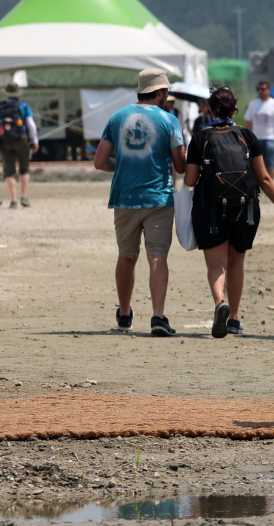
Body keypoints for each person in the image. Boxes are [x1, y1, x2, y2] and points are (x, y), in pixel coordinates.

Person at [184, 86, 274, 339]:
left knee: (216, 263)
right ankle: (235, 319)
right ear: (235, 110)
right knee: (237, 262)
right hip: (245, 210)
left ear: (211, 109)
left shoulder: (200, 137)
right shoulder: (247, 136)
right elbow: (264, 178)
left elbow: (191, 181)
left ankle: (220, 304)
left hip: (211, 210)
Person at [93, 68, 186, 336]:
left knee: (126, 256)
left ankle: (124, 314)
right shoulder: (169, 121)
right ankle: (158, 317)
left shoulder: (117, 117)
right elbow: (179, 165)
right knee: (157, 255)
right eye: (166, 91)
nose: (167, 96)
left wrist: (122, 165)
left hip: (124, 198)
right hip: (158, 197)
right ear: (159, 92)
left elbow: (99, 162)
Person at [1, 82, 39, 209]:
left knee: (9, 170)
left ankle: (13, 200)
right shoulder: (23, 105)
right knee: (24, 168)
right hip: (21, 139)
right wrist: (35, 141)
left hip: (5, 140)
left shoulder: (1, 106)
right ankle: (24, 196)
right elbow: (31, 124)